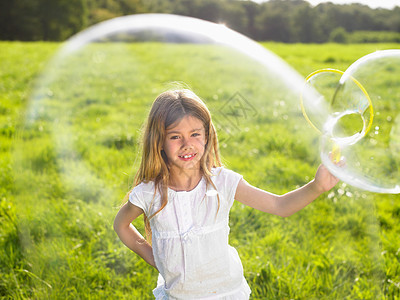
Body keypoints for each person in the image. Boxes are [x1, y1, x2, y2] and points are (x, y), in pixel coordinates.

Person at [113, 89, 339, 299]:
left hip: (226, 293)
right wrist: (153, 257)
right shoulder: (149, 193)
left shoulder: (223, 182)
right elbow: (121, 225)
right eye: (175, 137)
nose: (187, 145)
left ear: (207, 136)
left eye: (195, 134)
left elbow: (280, 206)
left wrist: (317, 186)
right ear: (158, 141)